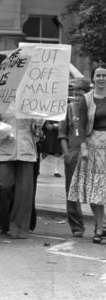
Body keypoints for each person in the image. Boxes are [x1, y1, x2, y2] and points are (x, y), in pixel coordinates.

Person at [69, 64, 106, 243]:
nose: (101, 78)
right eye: (98, 75)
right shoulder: (86, 99)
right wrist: (83, 146)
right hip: (92, 147)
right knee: (95, 189)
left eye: (104, 75)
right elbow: (81, 124)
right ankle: (99, 227)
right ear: (93, 79)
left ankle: (103, 225)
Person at [0, 112, 43, 239]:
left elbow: (38, 134)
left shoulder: (31, 104)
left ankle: (20, 227)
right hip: (5, 150)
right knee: (4, 185)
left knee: (25, 190)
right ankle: (6, 222)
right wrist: (1, 130)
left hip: (26, 150)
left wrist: (37, 127)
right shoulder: (2, 103)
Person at [59, 78, 92, 237]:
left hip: (91, 153)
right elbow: (62, 134)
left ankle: (100, 224)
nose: (77, 98)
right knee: (71, 192)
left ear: (87, 95)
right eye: (74, 95)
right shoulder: (68, 109)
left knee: (93, 189)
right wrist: (66, 154)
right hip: (72, 153)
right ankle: (77, 226)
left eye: (80, 95)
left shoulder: (93, 109)